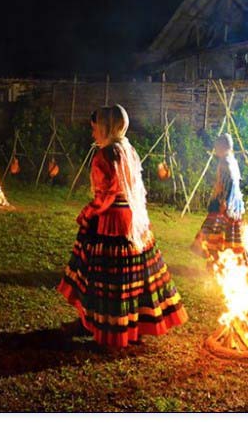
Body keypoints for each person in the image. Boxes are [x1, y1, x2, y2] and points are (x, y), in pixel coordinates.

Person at [57, 104, 188, 349]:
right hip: (133, 221)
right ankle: (129, 326)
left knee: (105, 278)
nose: (93, 132)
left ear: (106, 127)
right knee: (131, 277)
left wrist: (88, 213)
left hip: (112, 222)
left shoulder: (104, 155)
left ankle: (102, 327)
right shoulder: (127, 149)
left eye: (95, 128)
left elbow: (105, 195)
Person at [191, 133, 248, 264]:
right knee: (224, 234)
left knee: (213, 233)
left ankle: (218, 262)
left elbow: (230, 181)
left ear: (223, 146)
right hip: (232, 204)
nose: (215, 149)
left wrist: (224, 201)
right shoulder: (232, 160)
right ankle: (220, 262)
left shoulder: (226, 162)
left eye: (217, 146)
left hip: (225, 204)